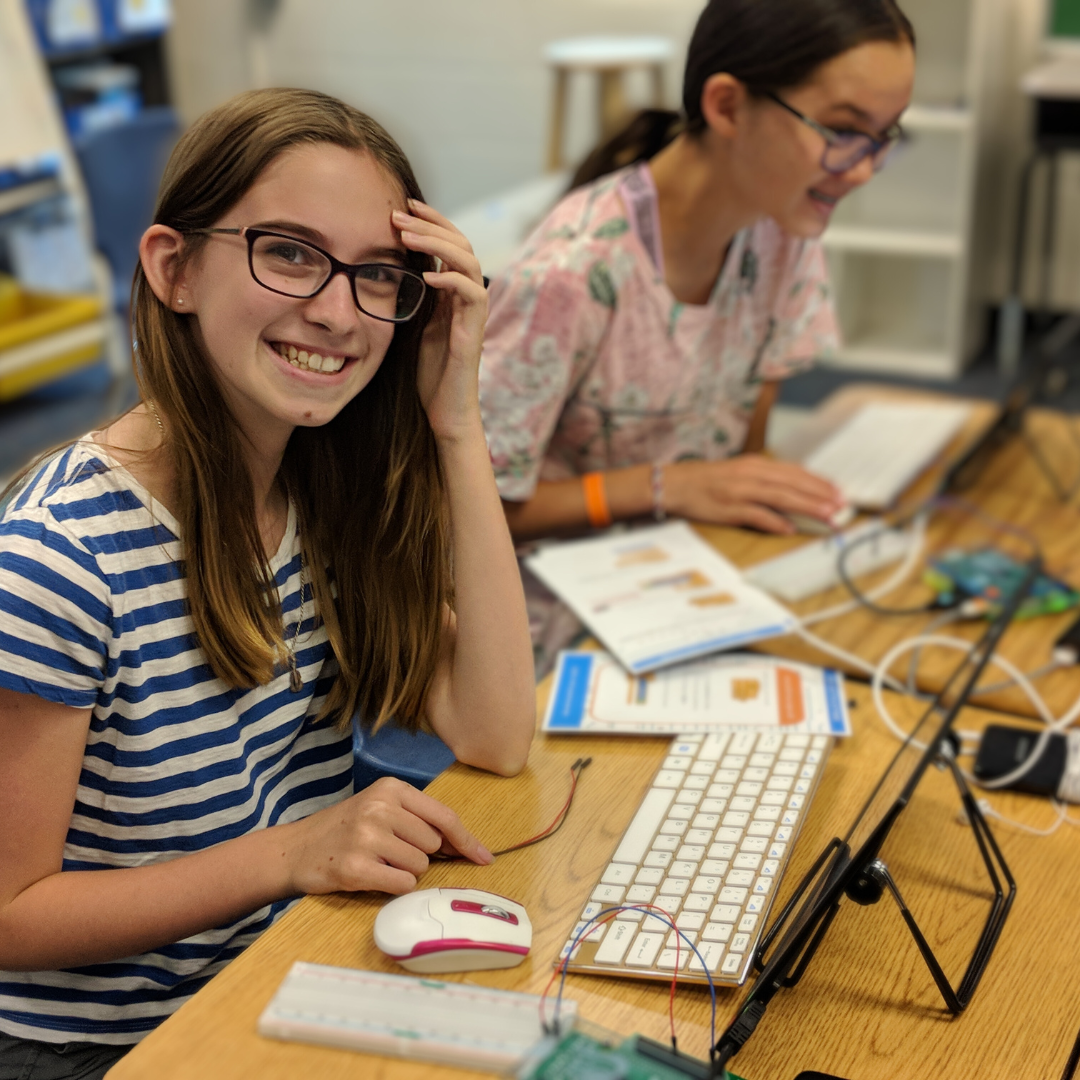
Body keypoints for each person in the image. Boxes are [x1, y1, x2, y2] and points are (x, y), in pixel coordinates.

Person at [0, 88, 535, 1079]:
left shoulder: (321, 492)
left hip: (277, 973)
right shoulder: (56, 562)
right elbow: (10, 918)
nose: (337, 311)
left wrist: (456, 424)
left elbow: (497, 732)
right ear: (175, 268)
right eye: (288, 252)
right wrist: (291, 853)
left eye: (378, 275)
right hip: (102, 1048)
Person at [479, 0, 916, 669]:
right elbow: (468, 513)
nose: (861, 169)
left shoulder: (783, 229)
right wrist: (667, 486)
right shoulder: (571, 273)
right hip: (548, 636)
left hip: (692, 583)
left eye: (885, 137)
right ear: (728, 106)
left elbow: (746, 456)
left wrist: (723, 497)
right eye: (841, 130)